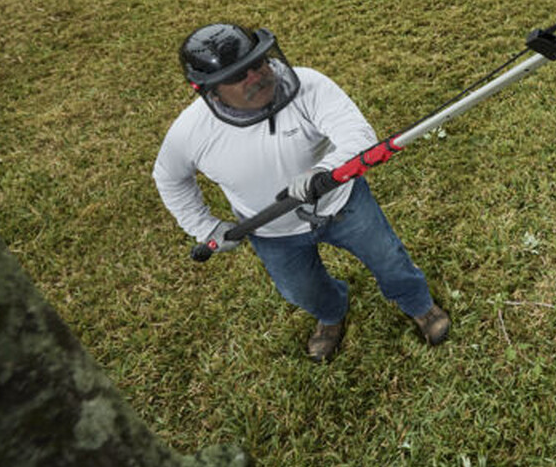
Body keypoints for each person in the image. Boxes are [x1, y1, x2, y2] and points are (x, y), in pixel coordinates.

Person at [154, 22, 449, 361]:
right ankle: (330, 314)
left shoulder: (309, 85)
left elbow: (357, 134)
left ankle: (419, 305)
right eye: (239, 76)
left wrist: (325, 171)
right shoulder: (189, 133)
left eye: (258, 63)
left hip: (343, 205)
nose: (256, 76)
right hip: (272, 232)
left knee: (389, 258)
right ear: (209, 90)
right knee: (301, 290)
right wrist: (204, 226)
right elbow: (169, 178)